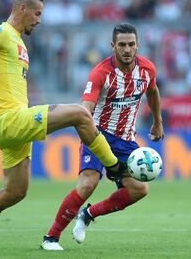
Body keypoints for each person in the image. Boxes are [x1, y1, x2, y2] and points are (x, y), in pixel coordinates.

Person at [0, 0, 126, 256]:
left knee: (15, 191)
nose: (39, 19)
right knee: (81, 114)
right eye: (37, 13)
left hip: (16, 126)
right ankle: (116, 167)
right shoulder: (1, 33)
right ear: (21, 9)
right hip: (8, 120)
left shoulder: (19, 43)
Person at [41, 23, 164, 251]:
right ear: (113, 46)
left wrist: (158, 121)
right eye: (122, 45)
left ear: (137, 45)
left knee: (139, 190)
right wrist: (88, 135)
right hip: (97, 135)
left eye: (131, 44)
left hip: (126, 139)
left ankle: (88, 214)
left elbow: (153, 92)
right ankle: (51, 237)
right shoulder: (100, 73)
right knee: (88, 184)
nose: (127, 50)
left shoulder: (147, 69)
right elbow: (84, 110)